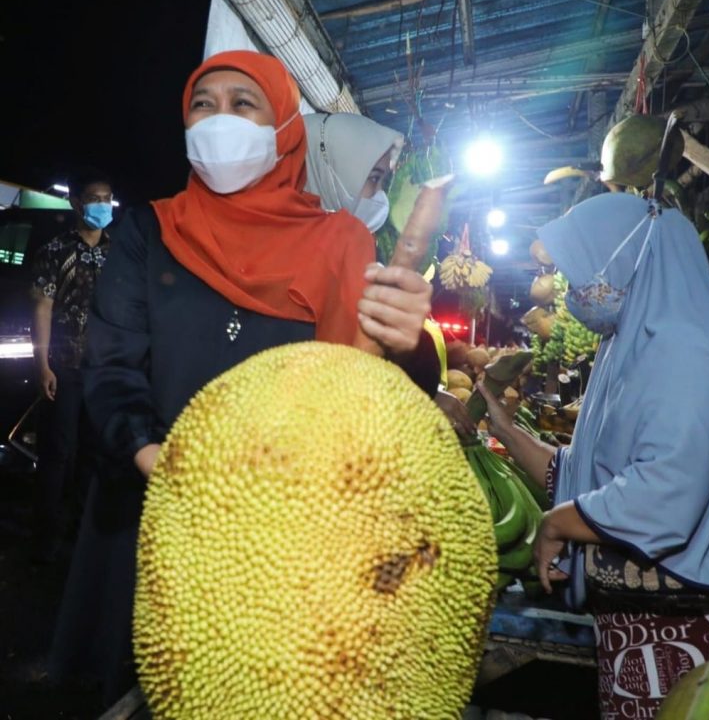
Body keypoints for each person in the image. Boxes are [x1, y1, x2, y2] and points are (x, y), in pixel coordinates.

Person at [48, 51, 436, 706]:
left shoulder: (340, 243)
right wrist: (166, 465)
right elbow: (112, 368)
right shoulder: (148, 230)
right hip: (150, 511)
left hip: (276, 537)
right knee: (144, 688)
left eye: (243, 103)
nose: (218, 119)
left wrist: (412, 346)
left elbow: (368, 391)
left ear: (284, 127)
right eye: (203, 104)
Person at [478, 192, 709, 718]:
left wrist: (557, 524)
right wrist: (500, 427)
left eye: (581, 272)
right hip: (635, 631)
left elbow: (667, 490)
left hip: (686, 635)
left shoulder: (684, 352)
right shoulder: (624, 348)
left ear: (625, 260)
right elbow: (585, 480)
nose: (571, 293)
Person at [303, 111, 475, 438]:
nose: (380, 196)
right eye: (373, 179)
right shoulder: (307, 260)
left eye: (383, 182)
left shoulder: (352, 254)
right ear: (330, 171)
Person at [29, 168, 114, 562]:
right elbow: (42, 309)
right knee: (57, 453)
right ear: (76, 203)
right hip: (64, 367)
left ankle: (83, 539)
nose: (102, 206)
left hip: (103, 371)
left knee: (94, 455)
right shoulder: (55, 251)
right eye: (95, 198)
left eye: (106, 199)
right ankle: (46, 539)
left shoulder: (118, 255)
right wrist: (42, 364)